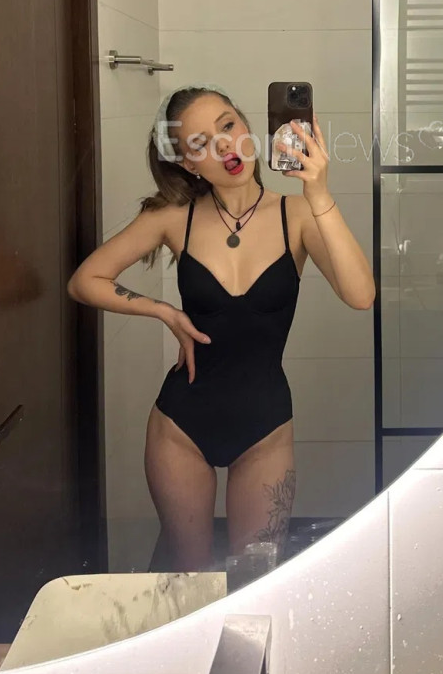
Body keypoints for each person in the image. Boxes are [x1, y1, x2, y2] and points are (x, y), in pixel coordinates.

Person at [68, 85, 375, 570]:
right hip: (180, 427)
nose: (225, 146)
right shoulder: (173, 217)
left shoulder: (297, 214)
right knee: (189, 576)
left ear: (247, 128)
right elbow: (85, 281)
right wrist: (165, 312)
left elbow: (361, 296)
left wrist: (318, 193)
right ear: (188, 164)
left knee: (255, 577)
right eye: (200, 143)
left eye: (228, 126)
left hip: (265, 428)